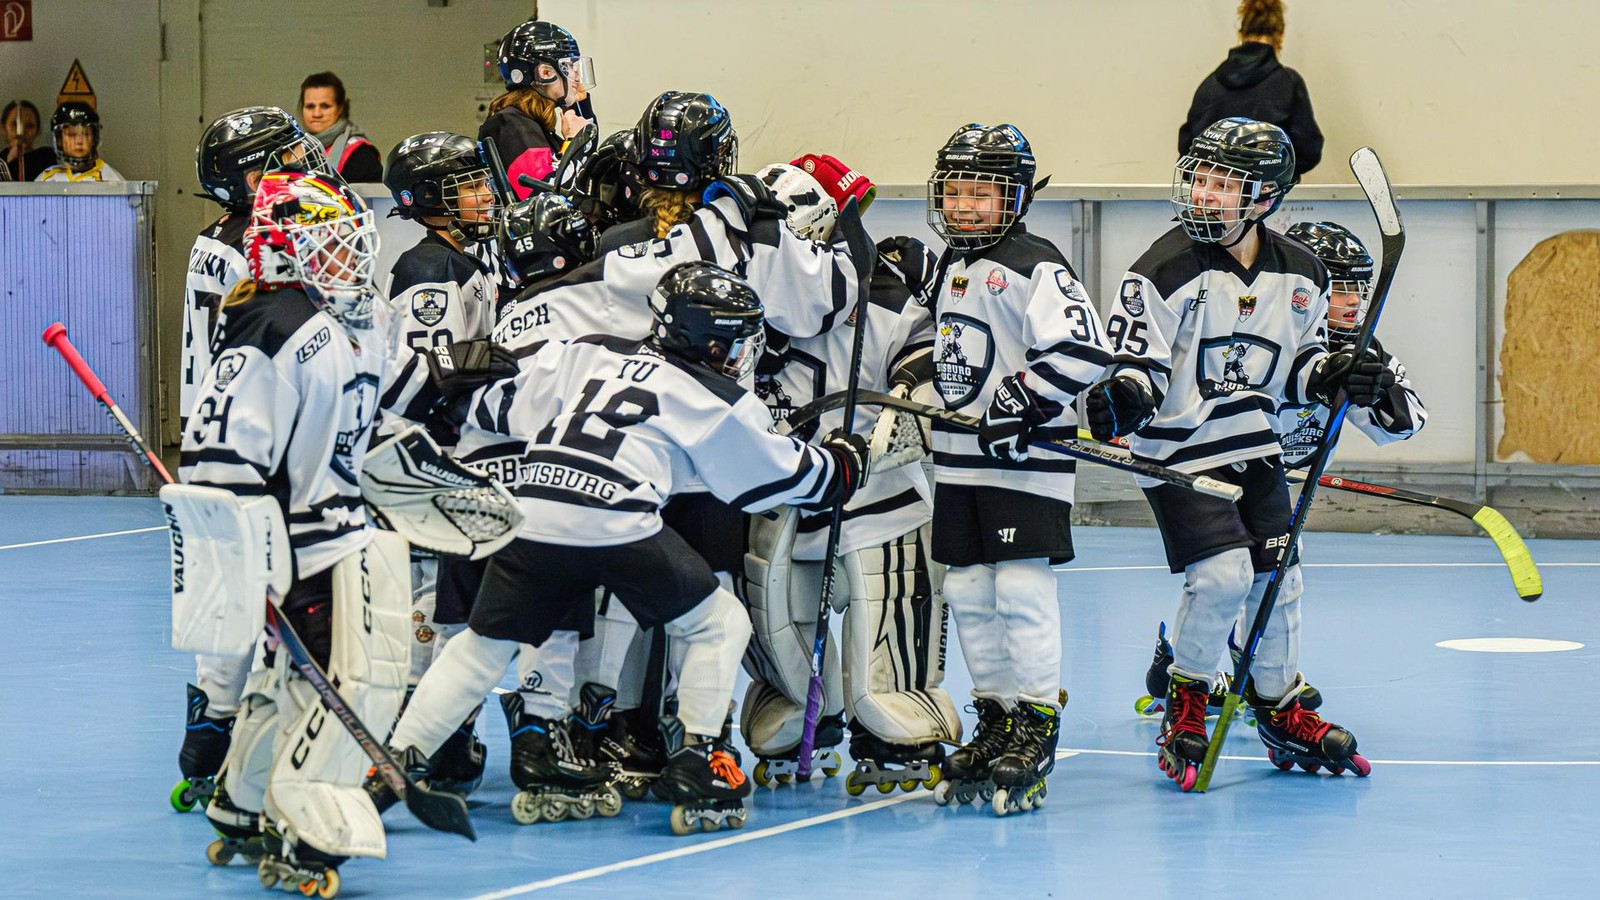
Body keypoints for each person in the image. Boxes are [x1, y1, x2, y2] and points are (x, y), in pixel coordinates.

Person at [381, 261, 871, 834]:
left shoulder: (589, 352)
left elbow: (489, 406)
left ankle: (391, 765)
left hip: (533, 508)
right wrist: (845, 460)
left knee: (482, 646)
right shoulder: (714, 399)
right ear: (710, 343)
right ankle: (701, 758)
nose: (741, 353)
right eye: (735, 340)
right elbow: (788, 478)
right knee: (719, 624)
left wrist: (444, 383)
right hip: (614, 521)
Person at [1084, 118, 1393, 791]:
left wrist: (1336, 377)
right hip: (1179, 454)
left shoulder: (1303, 274)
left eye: (1224, 183)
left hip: (1254, 447)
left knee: (1277, 580)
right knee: (1223, 577)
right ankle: (1188, 697)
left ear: (1264, 197)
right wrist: (1125, 398)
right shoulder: (1160, 270)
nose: (1204, 193)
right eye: (1199, 177)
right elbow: (1135, 361)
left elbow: (1299, 367)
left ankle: (1279, 704)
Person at [181, 170, 462, 892]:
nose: (350, 259)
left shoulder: (333, 316)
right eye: (330, 245)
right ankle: (308, 823)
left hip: (335, 533)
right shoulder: (278, 326)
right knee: (355, 682)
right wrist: (256, 558)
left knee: (288, 680)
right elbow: (220, 459)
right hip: (307, 544)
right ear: (284, 250)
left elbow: (391, 396)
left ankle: (242, 804)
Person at [1137, 220, 1427, 727]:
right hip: (1223, 466)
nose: (1353, 302)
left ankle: (1263, 680)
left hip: (1280, 482)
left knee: (1276, 579)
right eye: (1342, 288)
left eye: (1360, 287)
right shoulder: (1261, 331)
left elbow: (1404, 425)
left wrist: (1378, 388)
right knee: (1222, 575)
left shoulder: (1358, 348)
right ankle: (1187, 669)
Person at [739, 162, 961, 792]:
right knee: (772, 604)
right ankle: (793, 700)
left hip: (876, 494)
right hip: (784, 493)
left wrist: (904, 405)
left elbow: (925, 360)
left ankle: (897, 702)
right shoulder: (740, 302)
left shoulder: (887, 295)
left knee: (887, 600)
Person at [922, 123, 1114, 816]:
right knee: (970, 594)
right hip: (959, 462)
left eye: (981, 193)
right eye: (954, 190)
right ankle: (997, 716)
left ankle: (1036, 724)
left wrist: (1020, 399)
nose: (964, 206)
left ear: (1016, 197)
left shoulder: (1036, 262)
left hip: (1024, 463)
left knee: (1022, 593)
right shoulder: (949, 263)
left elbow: (1084, 352)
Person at [169, 106, 333, 815]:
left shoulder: (210, 240)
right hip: (261, 430)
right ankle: (271, 733)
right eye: (285, 159)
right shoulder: (270, 243)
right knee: (272, 586)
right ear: (251, 176)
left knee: (225, 587)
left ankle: (209, 728)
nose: (303, 166)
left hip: (208, 428)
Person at [1178, 0, 1323, 178]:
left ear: (1241, 33)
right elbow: (1309, 150)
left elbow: (1188, 148)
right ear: (1280, 35)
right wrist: (1269, 176)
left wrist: (1218, 179)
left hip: (1211, 195)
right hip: (1265, 198)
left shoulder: (1210, 84)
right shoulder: (1288, 83)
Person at [481, 19, 597, 198]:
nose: (577, 75)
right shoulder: (510, 125)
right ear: (546, 73)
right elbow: (546, 194)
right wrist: (574, 140)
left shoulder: (532, 123)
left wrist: (580, 106)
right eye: (569, 66)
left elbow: (585, 167)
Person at [299, 72, 382, 182]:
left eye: (325, 106)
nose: (316, 113)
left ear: (340, 109)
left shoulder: (361, 154)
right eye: (310, 106)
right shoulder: (294, 149)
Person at [35, 102, 122, 182]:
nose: (79, 141)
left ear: (94, 139)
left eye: (86, 134)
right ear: (59, 140)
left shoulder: (110, 178)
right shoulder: (47, 179)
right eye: (72, 134)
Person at [3, 99, 56, 181]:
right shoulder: (1, 160)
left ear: (37, 130)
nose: (21, 131)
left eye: (29, 126)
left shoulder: (47, 157)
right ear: (3, 128)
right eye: (14, 124)